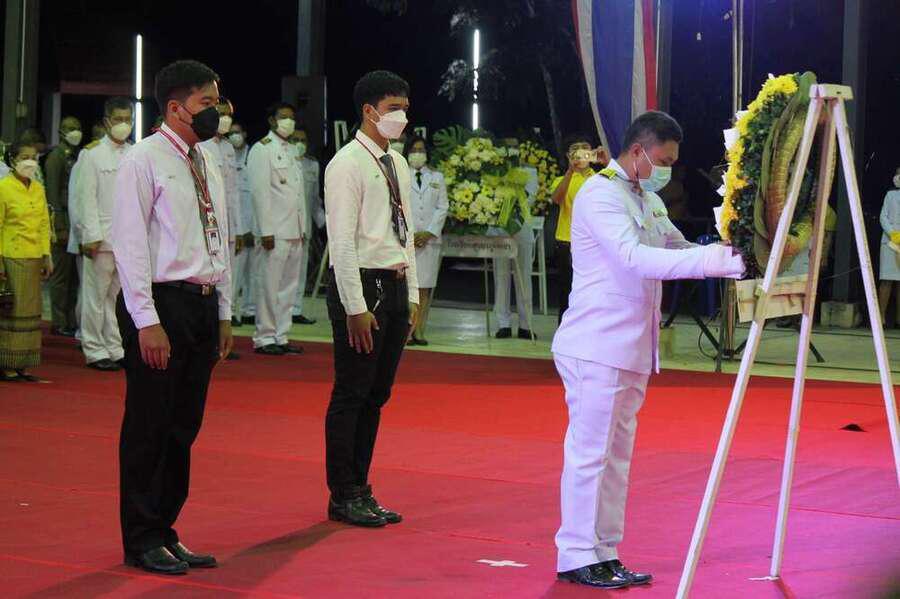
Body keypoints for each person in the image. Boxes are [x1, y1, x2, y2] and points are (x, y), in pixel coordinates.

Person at [551, 111, 744, 589]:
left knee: (616, 459)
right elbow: (634, 259)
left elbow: (675, 249)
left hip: (631, 346)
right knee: (590, 455)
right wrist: (715, 261)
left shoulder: (647, 198)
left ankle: (605, 551)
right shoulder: (599, 193)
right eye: (664, 160)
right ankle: (576, 554)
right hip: (597, 343)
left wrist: (733, 255)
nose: (668, 171)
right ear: (638, 150)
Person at [113, 59, 233, 575]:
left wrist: (224, 310)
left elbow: (219, 238)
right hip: (162, 302)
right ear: (176, 108)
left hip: (201, 302)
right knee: (150, 425)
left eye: (217, 102)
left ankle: (166, 528)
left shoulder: (206, 160)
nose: (216, 111)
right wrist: (146, 320)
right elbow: (129, 244)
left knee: (184, 426)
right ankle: (141, 536)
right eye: (207, 103)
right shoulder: (143, 159)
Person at [324, 70, 418, 527]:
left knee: (377, 394)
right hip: (362, 284)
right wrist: (354, 307)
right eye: (393, 109)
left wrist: (413, 293)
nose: (402, 117)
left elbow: (406, 231)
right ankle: (344, 492)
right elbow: (341, 242)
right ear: (369, 111)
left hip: (394, 281)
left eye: (405, 108)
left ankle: (362, 487)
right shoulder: (346, 164)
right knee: (353, 391)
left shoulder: (396, 162)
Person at [76, 97, 133, 372]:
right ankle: (94, 348)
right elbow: (84, 197)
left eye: (128, 119)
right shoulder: (92, 154)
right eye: (118, 119)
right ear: (107, 121)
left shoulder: (135, 153)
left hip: (126, 239)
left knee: (116, 298)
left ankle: (114, 347)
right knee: (94, 297)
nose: (124, 124)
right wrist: (90, 235)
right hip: (100, 237)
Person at [247, 102, 306, 356]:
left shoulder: (292, 150)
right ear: (272, 120)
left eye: (292, 118)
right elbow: (259, 193)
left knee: (288, 287)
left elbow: (297, 194)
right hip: (275, 231)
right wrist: (266, 231)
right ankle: (264, 336)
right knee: (269, 286)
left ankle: (281, 335)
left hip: (294, 229)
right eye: (283, 117)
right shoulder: (262, 149)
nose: (289, 122)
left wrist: (303, 228)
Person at [0, 141, 52, 382]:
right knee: (13, 312)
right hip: (12, 256)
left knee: (31, 312)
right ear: (12, 160)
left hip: (34, 257)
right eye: (24, 157)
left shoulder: (38, 188)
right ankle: (7, 363)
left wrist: (47, 255)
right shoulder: (4, 187)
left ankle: (23, 362)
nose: (30, 161)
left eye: (34, 157)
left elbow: (43, 223)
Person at [199, 97, 244, 359]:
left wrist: (238, 229)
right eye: (220, 113)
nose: (225, 118)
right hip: (208, 227)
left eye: (229, 114)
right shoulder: (200, 145)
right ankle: (208, 339)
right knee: (209, 282)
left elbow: (234, 193)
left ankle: (222, 339)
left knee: (228, 283)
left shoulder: (227, 148)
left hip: (227, 226)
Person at [551, 134, 607, 325]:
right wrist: (570, 171)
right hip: (567, 241)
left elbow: (619, 189)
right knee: (566, 289)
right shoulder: (562, 179)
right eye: (576, 150)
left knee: (594, 289)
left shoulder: (600, 177)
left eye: (585, 149)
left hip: (595, 242)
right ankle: (564, 329)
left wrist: (606, 163)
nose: (581, 154)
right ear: (568, 155)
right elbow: (556, 199)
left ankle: (591, 329)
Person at [492, 137, 539, 340]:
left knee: (524, 277)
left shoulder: (530, 171)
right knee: (501, 276)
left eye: (514, 147)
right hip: (500, 228)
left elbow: (531, 196)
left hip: (522, 227)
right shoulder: (495, 170)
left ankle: (525, 325)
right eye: (507, 147)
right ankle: (503, 323)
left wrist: (514, 215)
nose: (511, 150)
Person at [403, 134, 448, 345]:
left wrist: (429, 233)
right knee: (407, 288)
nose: (417, 154)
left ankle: (419, 329)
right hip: (407, 240)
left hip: (429, 242)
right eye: (413, 150)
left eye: (421, 150)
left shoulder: (437, 177)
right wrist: (410, 234)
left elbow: (442, 207)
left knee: (424, 288)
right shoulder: (401, 175)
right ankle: (405, 332)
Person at [44, 116, 83, 337]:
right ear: (60, 131)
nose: (74, 131)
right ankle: (59, 321)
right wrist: (59, 227)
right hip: (63, 224)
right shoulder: (56, 157)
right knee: (61, 277)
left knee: (73, 277)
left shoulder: (77, 155)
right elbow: (52, 194)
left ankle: (70, 320)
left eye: (77, 127)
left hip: (74, 224)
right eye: (69, 128)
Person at [289, 125, 320, 325]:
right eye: (296, 140)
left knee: (300, 271)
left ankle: (296, 309)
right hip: (285, 227)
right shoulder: (283, 161)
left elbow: (315, 200)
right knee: (283, 274)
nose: (300, 144)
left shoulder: (312, 165)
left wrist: (325, 223)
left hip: (305, 227)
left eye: (303, 141)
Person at [878, 167, 900, 326]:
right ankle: (881, 317)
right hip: (889, 242)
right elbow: (883, 217)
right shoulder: (890, 195)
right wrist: (893, 234)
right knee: (886, 280)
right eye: (898, 173)